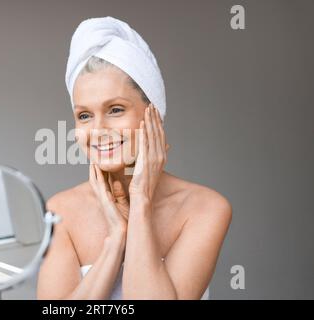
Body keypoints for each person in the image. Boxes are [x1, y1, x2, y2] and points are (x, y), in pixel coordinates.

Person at [37, 16, 232, 300]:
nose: (99, 130)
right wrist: (115, 242)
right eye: (84, 115)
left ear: (153, 115)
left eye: (115, 109)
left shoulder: (205, 209)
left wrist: (140, 200)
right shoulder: (60, 213)